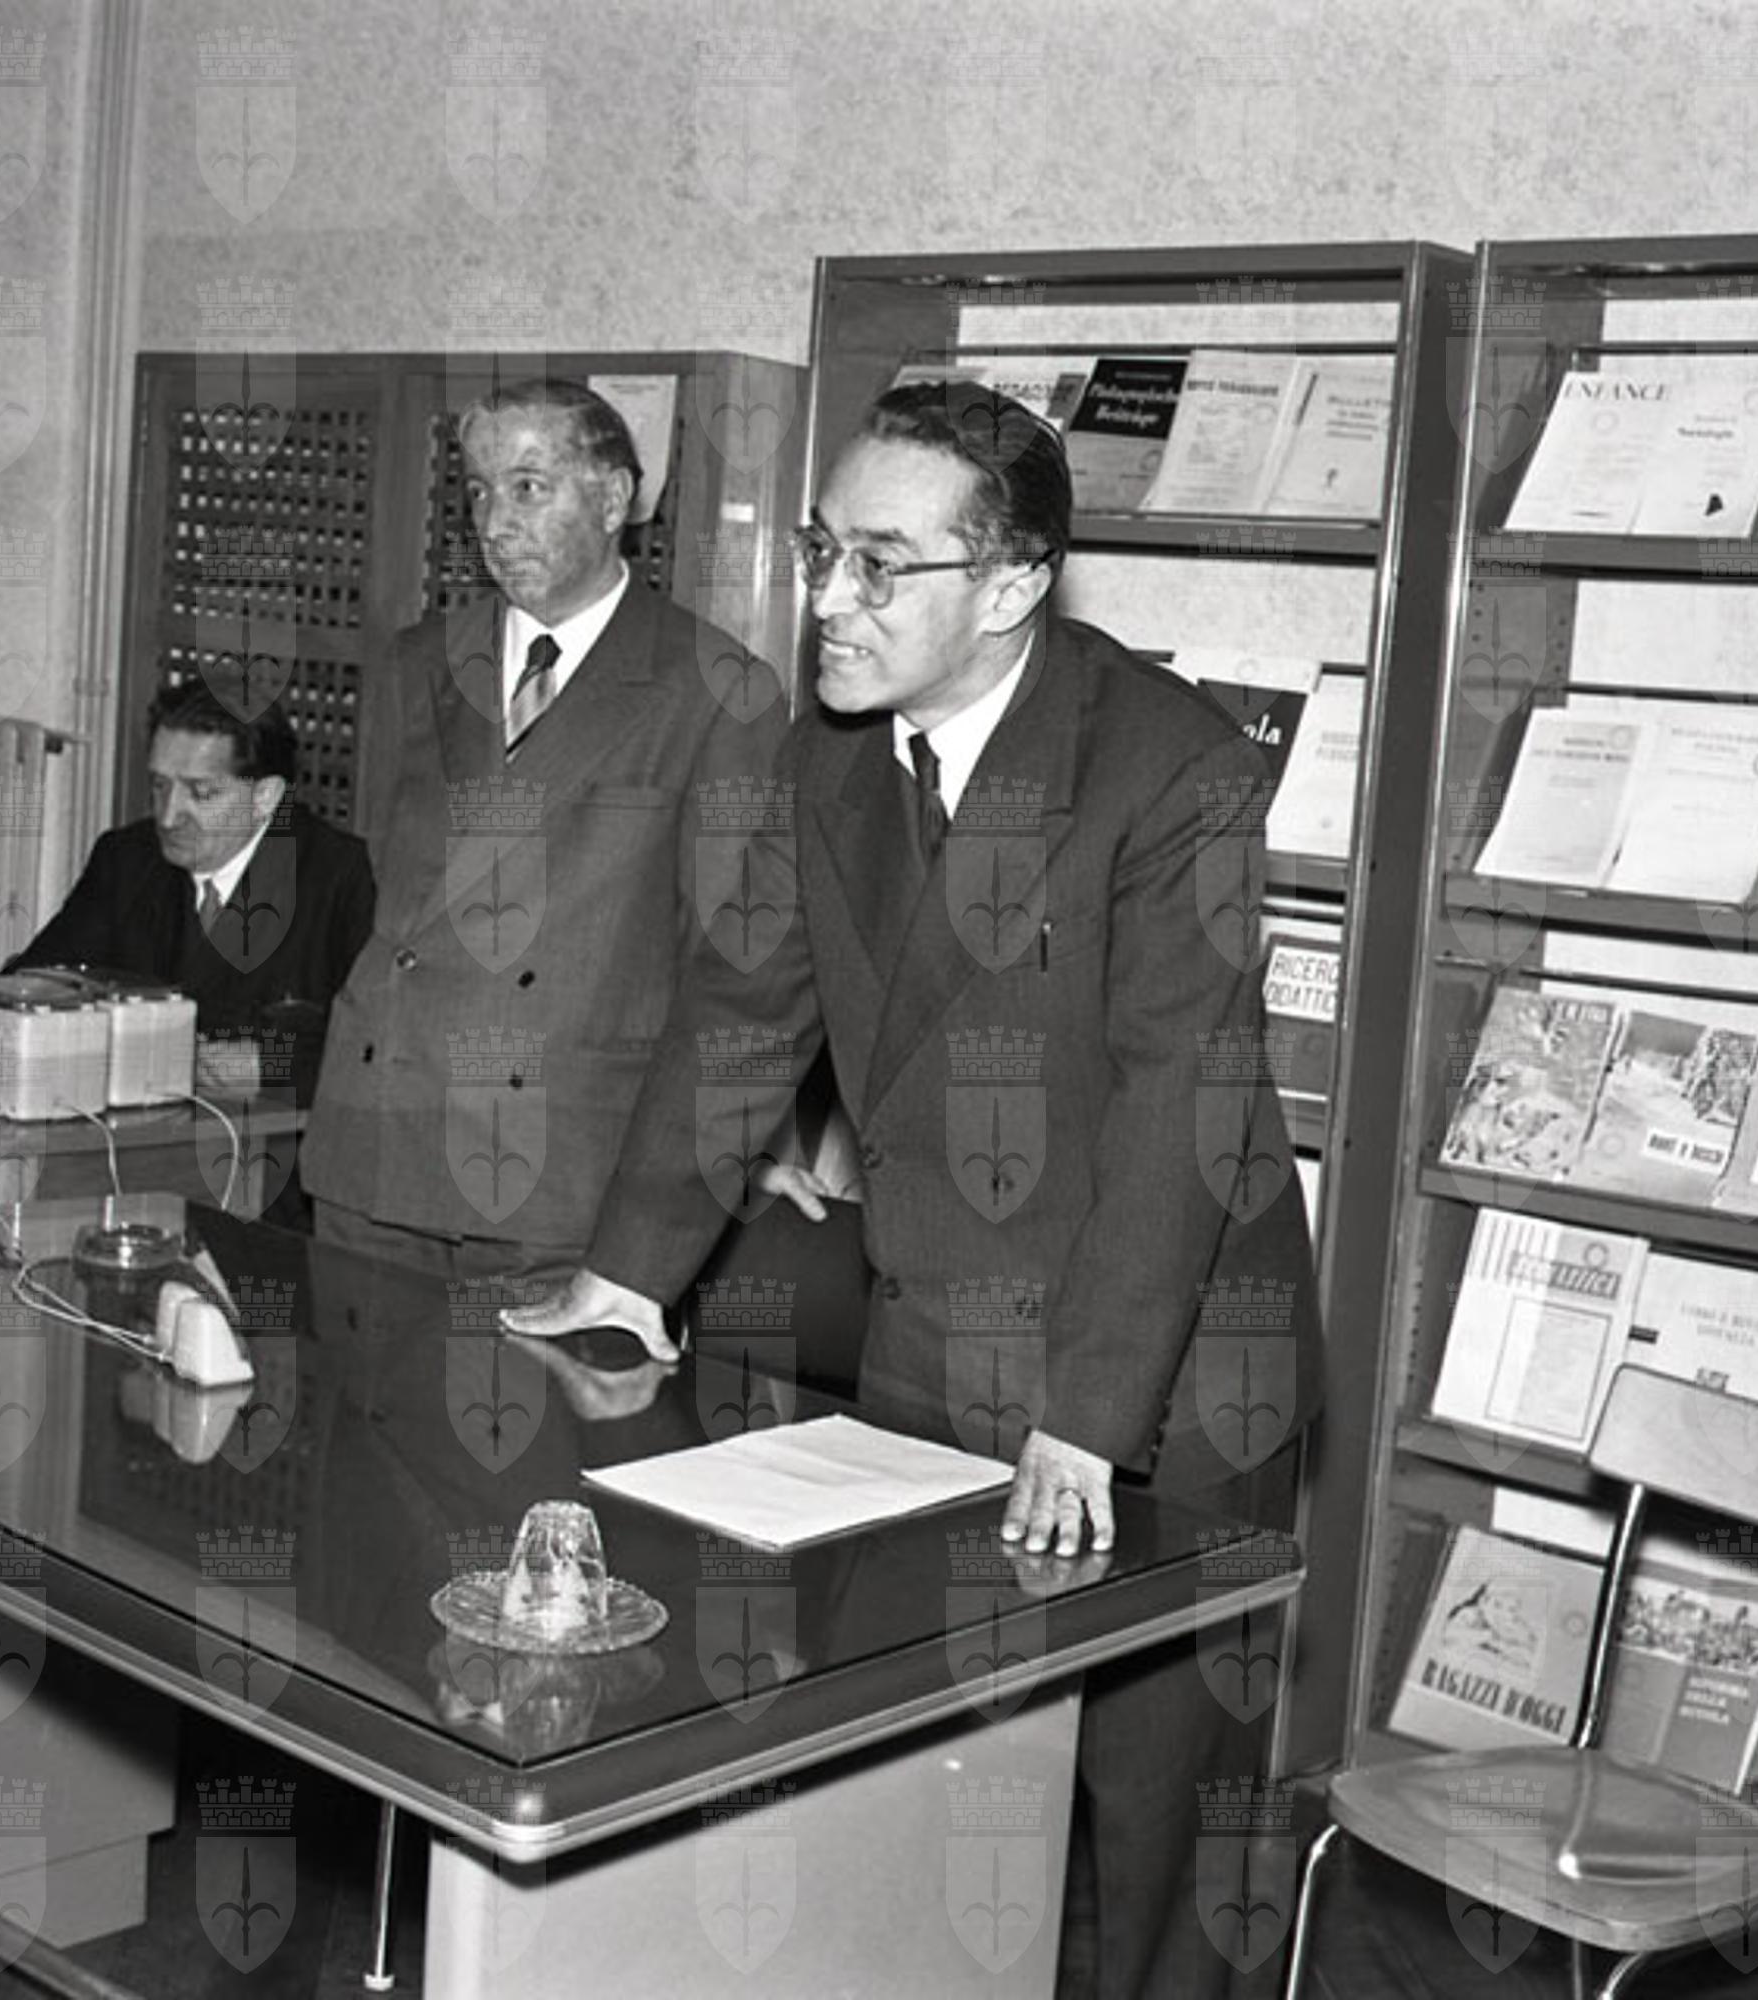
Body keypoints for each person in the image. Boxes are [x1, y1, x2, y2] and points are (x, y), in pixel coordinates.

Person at [508, 381, 1325, 1996]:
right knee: (923, 1782)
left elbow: (1179, 1107)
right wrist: (626, 1273)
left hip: (1164, 1371)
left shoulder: (1168, 770)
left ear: (1010, 584)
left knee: (1159, 1824)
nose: (828, 598)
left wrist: (1086, 1420)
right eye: (822, 550)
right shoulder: (825, 755)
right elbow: (741, 1015)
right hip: (937, 1332)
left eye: (881, 564)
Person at [298, 377, 783, 1277]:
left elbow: (732, 970)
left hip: (560, 1169)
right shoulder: (419, 660)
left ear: (613, 498)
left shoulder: (716, 690)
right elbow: (386, 872)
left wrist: (719, 1148)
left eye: (528, 487)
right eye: (479, 491)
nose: (495, 522)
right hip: (374, 1137)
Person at [11, 679, 374, 1107]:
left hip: (272, 1135)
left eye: (200, 792)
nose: (168, 817)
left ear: (266, 797)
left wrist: (274, 1068)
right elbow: (35, 985)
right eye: (160, 785)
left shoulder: (342, 878)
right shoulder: (126, 859)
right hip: (133, 1128)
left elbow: (380, 1048)